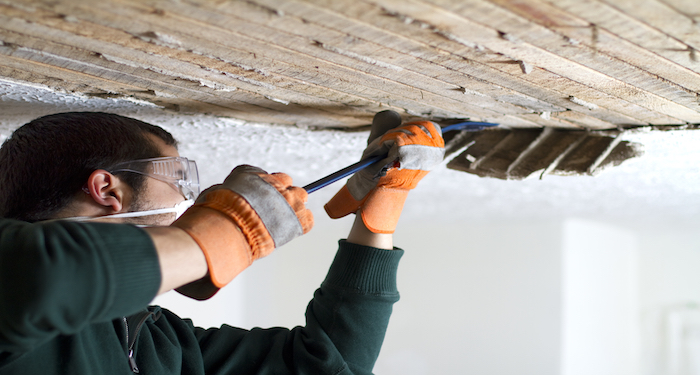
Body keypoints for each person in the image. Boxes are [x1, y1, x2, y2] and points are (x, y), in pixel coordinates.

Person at [0, 111, 444, 374]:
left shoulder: (157, 340)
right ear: (107, 190)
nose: (188, 198)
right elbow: (49, 274)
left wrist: (381, 210)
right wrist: (222, 233)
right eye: (177, 179)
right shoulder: (17, 272)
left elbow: (323, 365)